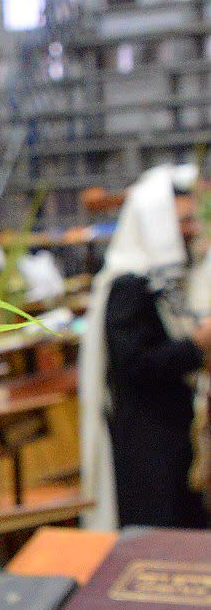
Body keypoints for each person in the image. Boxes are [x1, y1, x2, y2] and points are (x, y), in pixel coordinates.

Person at [79, 164, 211, 530]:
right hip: (148, 442)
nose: (191, 229)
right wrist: (196, 345)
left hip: (175, 433)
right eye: (181, 222)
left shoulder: (164, 279)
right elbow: (135, 365)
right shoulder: (129, 286)